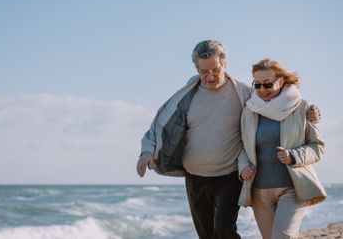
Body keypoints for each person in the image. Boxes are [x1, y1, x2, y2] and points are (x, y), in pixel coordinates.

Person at [136, 40, 320, 239]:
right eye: (203, 71)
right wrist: (147, 151)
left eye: (215, 69)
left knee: (224, 230)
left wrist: (309, 111)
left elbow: (276, 99)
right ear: (196, 68)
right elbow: (161, 124)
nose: (210, 76)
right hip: (195, 177)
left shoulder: (243, 94)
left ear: (224, 64)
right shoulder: (186, 97)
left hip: (229, 175)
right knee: (206, 235)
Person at [238, 59, 326, 239]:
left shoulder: (302, 107)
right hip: (259, 191)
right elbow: (242, 148)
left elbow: (318, 147)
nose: (262, 90)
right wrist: (243, 168)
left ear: (281, 81)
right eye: (257, 85)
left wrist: (293, 156)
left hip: (293, 187)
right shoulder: (249, 110)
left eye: (268, 84)